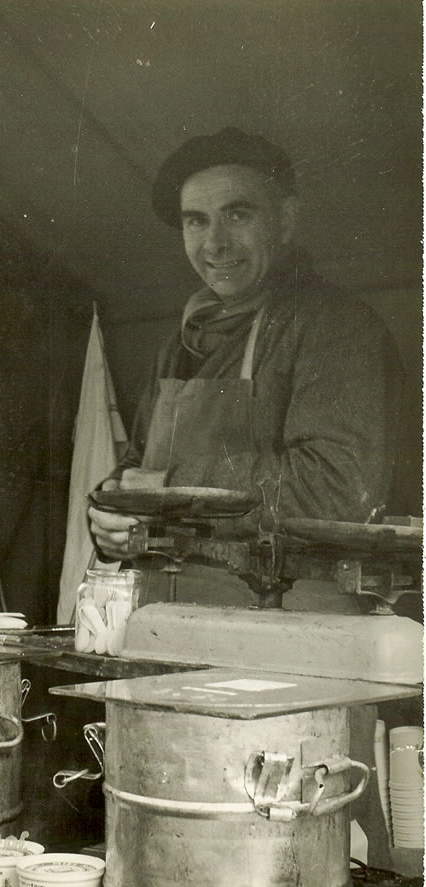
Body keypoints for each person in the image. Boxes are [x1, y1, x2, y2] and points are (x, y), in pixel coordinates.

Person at [88, 127, 402, 593]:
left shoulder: (335, 327)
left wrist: (169, 491)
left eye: (237, 214)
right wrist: (112, 512)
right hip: (163, 615)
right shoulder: (178, 344)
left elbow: (336, 489)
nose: (214, 244)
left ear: (287, 220)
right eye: (195, 221)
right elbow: (138, 467)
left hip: (288, 622)